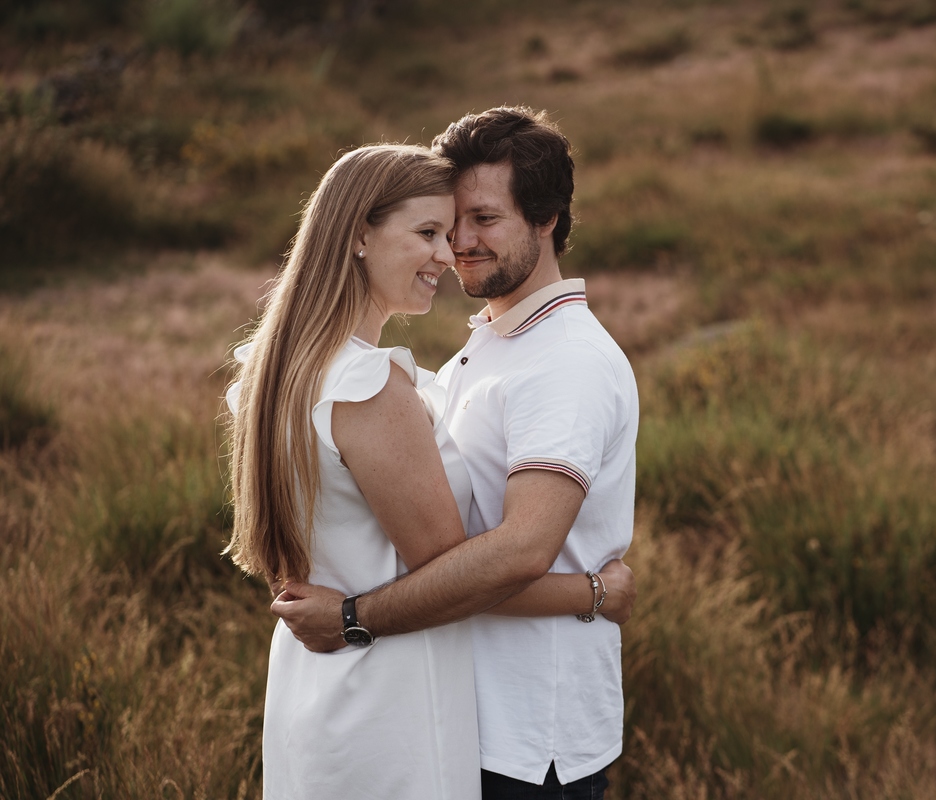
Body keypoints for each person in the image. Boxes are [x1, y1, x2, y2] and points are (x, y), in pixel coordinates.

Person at [224, 143, 634, 800]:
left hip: (313, 688)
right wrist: (596, 594)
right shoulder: (368, 386)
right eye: (429, 232)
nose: (451, 252)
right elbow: (451, 573)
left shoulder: (269, 374)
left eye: (461, 229)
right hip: (389, 695)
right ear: (359, 234)